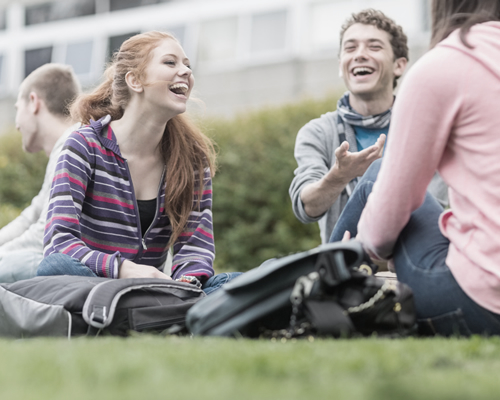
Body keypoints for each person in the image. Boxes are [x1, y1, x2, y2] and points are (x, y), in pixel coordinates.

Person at [330, 0, 500, 336]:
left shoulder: (446, 64)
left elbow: (389, 213)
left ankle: (312, 284)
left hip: (481, 300)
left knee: (378, 176)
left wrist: (376, 246)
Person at [37, 31, 240, 294]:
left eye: (187, 65)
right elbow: (59, 243)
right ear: (135, 80)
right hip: (94, 286)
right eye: (170, 63)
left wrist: (186, 284)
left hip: (156, 293)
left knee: (244, 282)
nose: (186, 72)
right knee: (55, 267)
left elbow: (195, 249)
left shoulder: (192, 158)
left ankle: (170, 310)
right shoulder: (84, 146)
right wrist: (124, 270)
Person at [289, 9, 448, 244]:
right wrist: (338, 176)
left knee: (377, 173)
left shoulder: (428, 129)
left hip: (413, 250)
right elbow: (306, 207)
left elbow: (436, 206)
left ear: (399, 65)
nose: (360, 55)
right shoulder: (318, 132)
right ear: (340, 65)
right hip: (345, 257)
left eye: (374, 47)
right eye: (350, 48)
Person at [0, 64, 80, 283]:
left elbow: (44, 234)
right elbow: (32, 215)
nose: (16, 125)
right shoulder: (64, 145)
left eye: (17, 109)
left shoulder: (73, 146)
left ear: (34, 102)